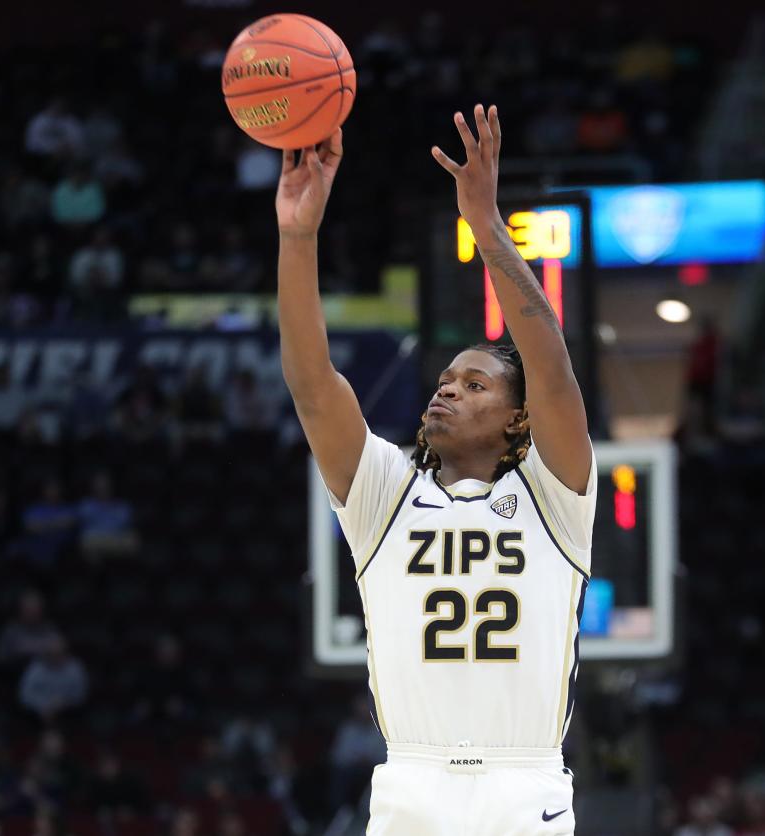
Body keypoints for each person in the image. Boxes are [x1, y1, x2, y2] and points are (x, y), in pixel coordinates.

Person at [277, 105, 595, 836]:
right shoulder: (385, 496)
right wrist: (298, 236)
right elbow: (311, 382)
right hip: (412, 781)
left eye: (475, 384)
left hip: (524, 784)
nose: (448, 388)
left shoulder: (555, 496)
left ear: (519, 422)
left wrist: (486, 226)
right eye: (446, 378)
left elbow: (552, 372)